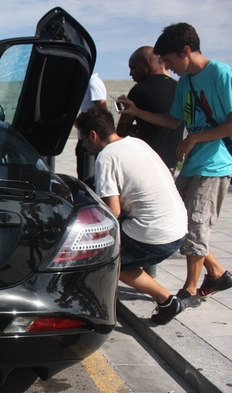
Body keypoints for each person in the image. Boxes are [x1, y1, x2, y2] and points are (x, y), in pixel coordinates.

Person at [118, 23, 232, 302]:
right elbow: (173, 120)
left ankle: (190, 291)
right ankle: (217, 274)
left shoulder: (220, 74)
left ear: (186, 50)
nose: (168, 67)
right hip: (192, 164)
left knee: (196, 224)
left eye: (169, 61)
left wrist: (195, 139)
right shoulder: (186, 83)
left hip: (215, 164)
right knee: (178, 222)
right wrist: (137, 112)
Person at [76, 107, 188, 324]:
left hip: (154, 235)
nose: (83, 145)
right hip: (178, 228)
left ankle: (166, 301)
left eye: (84, 139)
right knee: (118, 254)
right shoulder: (137, 142)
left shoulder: (106, 157)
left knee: (102, 257)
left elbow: (113, 211)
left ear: (93, 135)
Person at [116, 46, 184, 173]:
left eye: (133, 67)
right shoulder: (178, 87)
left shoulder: (139, 90)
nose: (131, 73)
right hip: (171, 163)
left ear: (147, 63)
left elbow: (121, 130)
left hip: (147, 163)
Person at [76, 72, 108, 181]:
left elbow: (102, 109)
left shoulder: (93, 83)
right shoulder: (87, 83)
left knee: (87, 176)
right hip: (85, 136)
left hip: (91, 139)